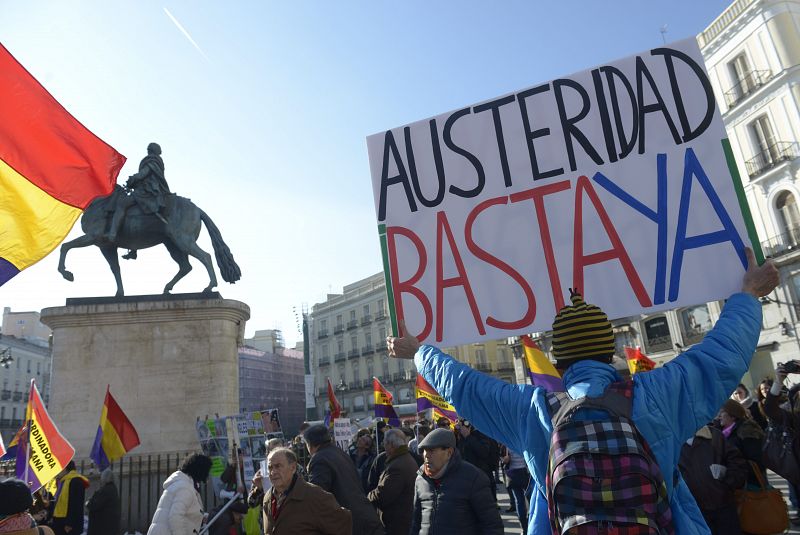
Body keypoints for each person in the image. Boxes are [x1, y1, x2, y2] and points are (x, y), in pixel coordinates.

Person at [388, 247, 778, 534]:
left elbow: (462, 384)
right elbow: (721, 354)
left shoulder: (534, 409)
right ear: (610, 354)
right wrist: (746, 296)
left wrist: (419, 352)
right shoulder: (659, 393)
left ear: (558, 364)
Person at [411, 428, 503, 535]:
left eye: (432, 450)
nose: (426, 455)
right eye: (424, 450)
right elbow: (416, 522)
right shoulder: (421, 478)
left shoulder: (473, 478)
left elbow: (492, 525)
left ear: (449, 452)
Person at [303, 424, 383, 535]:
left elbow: (317, 494)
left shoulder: (319, 459)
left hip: (350, 523)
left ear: (310, 444)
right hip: (365, 516)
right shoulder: (340, 452)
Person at [261, 447, 351, 535]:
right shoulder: (268, 498)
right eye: (270, 467)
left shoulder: (314, 495)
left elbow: (342, 523)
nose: (273, 472)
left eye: (278, 466)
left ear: (293, 468)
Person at [678, 424, 747, 534]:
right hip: (693, 513)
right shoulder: (671, 442)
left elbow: (737, 463)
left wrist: (726, 482)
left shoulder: (714, 436)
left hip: (723, 506)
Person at [106, 142, 171, 243]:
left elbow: (144, 173)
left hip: (147, 191)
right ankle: (132, 248)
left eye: (149, 149)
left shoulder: (152, 160)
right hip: (147, 189)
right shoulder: (157, 161)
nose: (147, 151)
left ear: (151, 150)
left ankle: (112, 233)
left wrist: (133, 179)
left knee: (122, 204)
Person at [368, 429, 418, 535]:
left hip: (397, 524)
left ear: (391, 445)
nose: (383, 446)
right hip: (402, 520)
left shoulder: (397, 466)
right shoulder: (403, 459)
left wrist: (369, 496)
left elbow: (383, 496)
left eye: (384, 443)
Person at [147, 452, 212, 535]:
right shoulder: (185, 488)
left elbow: (185, 510)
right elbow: (175, 517)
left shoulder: (183, 484)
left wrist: (201, 517)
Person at [718, 399, 766, 488]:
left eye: (721, 412)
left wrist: (732, 469)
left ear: (732, 416)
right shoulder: (720, 432)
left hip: (749, 484)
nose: (718, 416)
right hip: (731, 482)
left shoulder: (746, 430)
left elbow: (757, 461)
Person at [456, 420, 497, 500]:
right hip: (466, 479)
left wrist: (468, 437)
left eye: (461, 425)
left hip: (481, 477)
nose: (459, 427)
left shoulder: (482, 433)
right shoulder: (461, 437)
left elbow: (484, 452)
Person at [51, 461, 89, 535]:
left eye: (60, 468)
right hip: (61, 522)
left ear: (65, 468)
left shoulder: (76, 481)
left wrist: (69, 523)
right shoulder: (64, 481)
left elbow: (76, 504)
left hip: (69, 525)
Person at [501, 444, 530, 533]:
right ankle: (531, 525)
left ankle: (524, 529)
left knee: (519, 502)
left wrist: (505, 459)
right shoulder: (522, 441)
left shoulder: (507, 442)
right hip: (526, 473)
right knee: (531, 501)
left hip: (513, 474)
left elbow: (503, 459)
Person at [85, 468, 121, 535]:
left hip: (102, 527)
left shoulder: (105, 491)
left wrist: (88, 502)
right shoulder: (112, 489)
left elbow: (94, 505)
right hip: (109, 526)